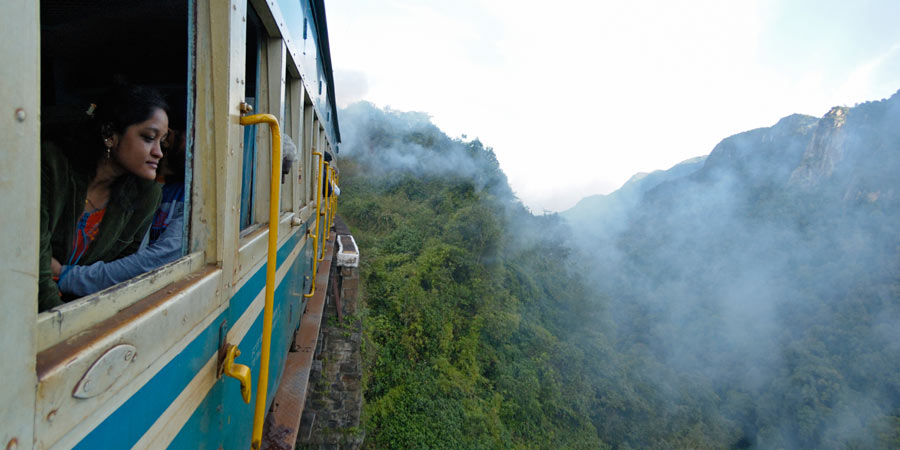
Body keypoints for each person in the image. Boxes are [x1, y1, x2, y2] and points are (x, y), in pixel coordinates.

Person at [39, 84, 167, 312]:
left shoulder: (146, 195)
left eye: (162, 141)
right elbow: (33, 263)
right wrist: (63, 326)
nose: (159, 152)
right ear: (110, 135)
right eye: (149, 137)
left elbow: (116, 274)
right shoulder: (52, 165)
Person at [54, 130, 186, 297]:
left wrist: (67, 275)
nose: (157, 151)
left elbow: (156, 263)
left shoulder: (189, 198)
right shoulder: (127, 188)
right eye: (148, 138)